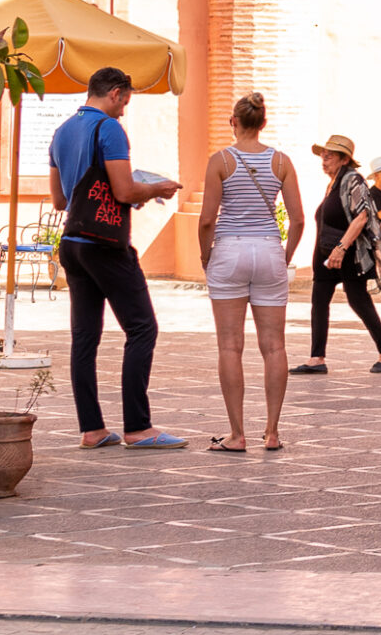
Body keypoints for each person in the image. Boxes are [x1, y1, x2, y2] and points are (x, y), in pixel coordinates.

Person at [47, 66, 183, 450]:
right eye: (126, 101)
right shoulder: (108, 129)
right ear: (117, 93)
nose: (125, 109)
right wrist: (156, 188)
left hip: (72, 241)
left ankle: (91, 429)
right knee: (142, 328)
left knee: (84, 337)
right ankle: (138, 427)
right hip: (105, 244)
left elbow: (60, 201)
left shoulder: (61, 132)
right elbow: (123, 191)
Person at [196, 91, 305, 452]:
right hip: (269, 250)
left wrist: (205, 255)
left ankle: (237, 434)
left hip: (229, 248)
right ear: (263, 123)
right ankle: (272, 432)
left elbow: (208, 219)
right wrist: (285, 255)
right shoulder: (282, 162)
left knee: (230, 346)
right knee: (274, 346)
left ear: (234, 121)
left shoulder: (221, 161)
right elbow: (298, 218)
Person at [291, 134, 381, 376]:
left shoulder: (353, 180)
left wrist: (341, 248)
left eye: (329, 154)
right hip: (326, 257)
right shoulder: (333, 183)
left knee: (358, 300)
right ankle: (317, 358)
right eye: (323, 154)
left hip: (348, 254)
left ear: (344, 159)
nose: (323, 158)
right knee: (319, 302)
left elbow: (361, 216)